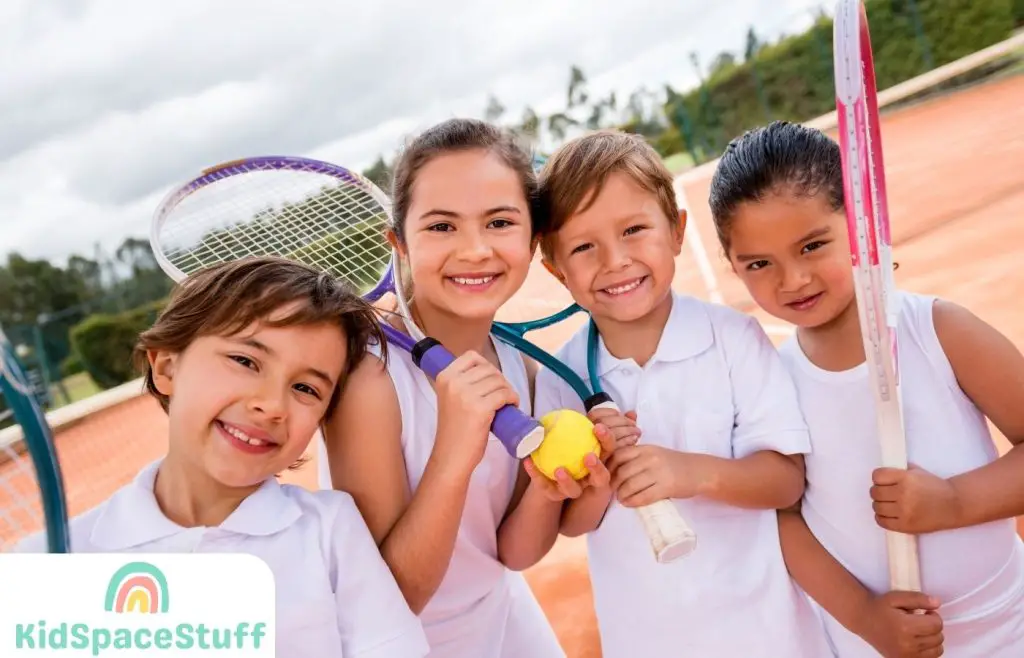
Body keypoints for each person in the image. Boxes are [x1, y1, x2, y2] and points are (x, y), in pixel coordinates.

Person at [708, 120, 1024, 657]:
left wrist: (953, 502)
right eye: (759, 264)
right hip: (871, 645)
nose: (793, 280)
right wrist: (865, 618)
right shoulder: (769, 381)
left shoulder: (939, 331)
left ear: (861, 220)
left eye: (812, 245)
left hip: (1005, 628)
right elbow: (785, 520)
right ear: (735, 269)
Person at [17, 256, 430, 658]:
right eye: (245, 361)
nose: (271, 405)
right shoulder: (45, 562)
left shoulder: (332, 531)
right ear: (165, 367)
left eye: (306, 389)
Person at [528, 129, 833, 657]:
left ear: (676, 231)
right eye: (583, 247)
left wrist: (688, 472)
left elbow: (785, 481)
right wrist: (597, 474)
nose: (615, 260)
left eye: (634, 230)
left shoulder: (733, 338)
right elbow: (572, 522)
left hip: (771, 637)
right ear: (557, 270)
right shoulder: (561, 373)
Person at [319, 118, 566, 658]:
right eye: (441, 226)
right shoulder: (369, 380)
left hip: (504, 618)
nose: (475, 250)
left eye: (500, 222)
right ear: (399, 244)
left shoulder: (519, 368)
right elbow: (393, 597)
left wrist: (552, 490)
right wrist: (456, 448)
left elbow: (512, 554)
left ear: (533, 237)